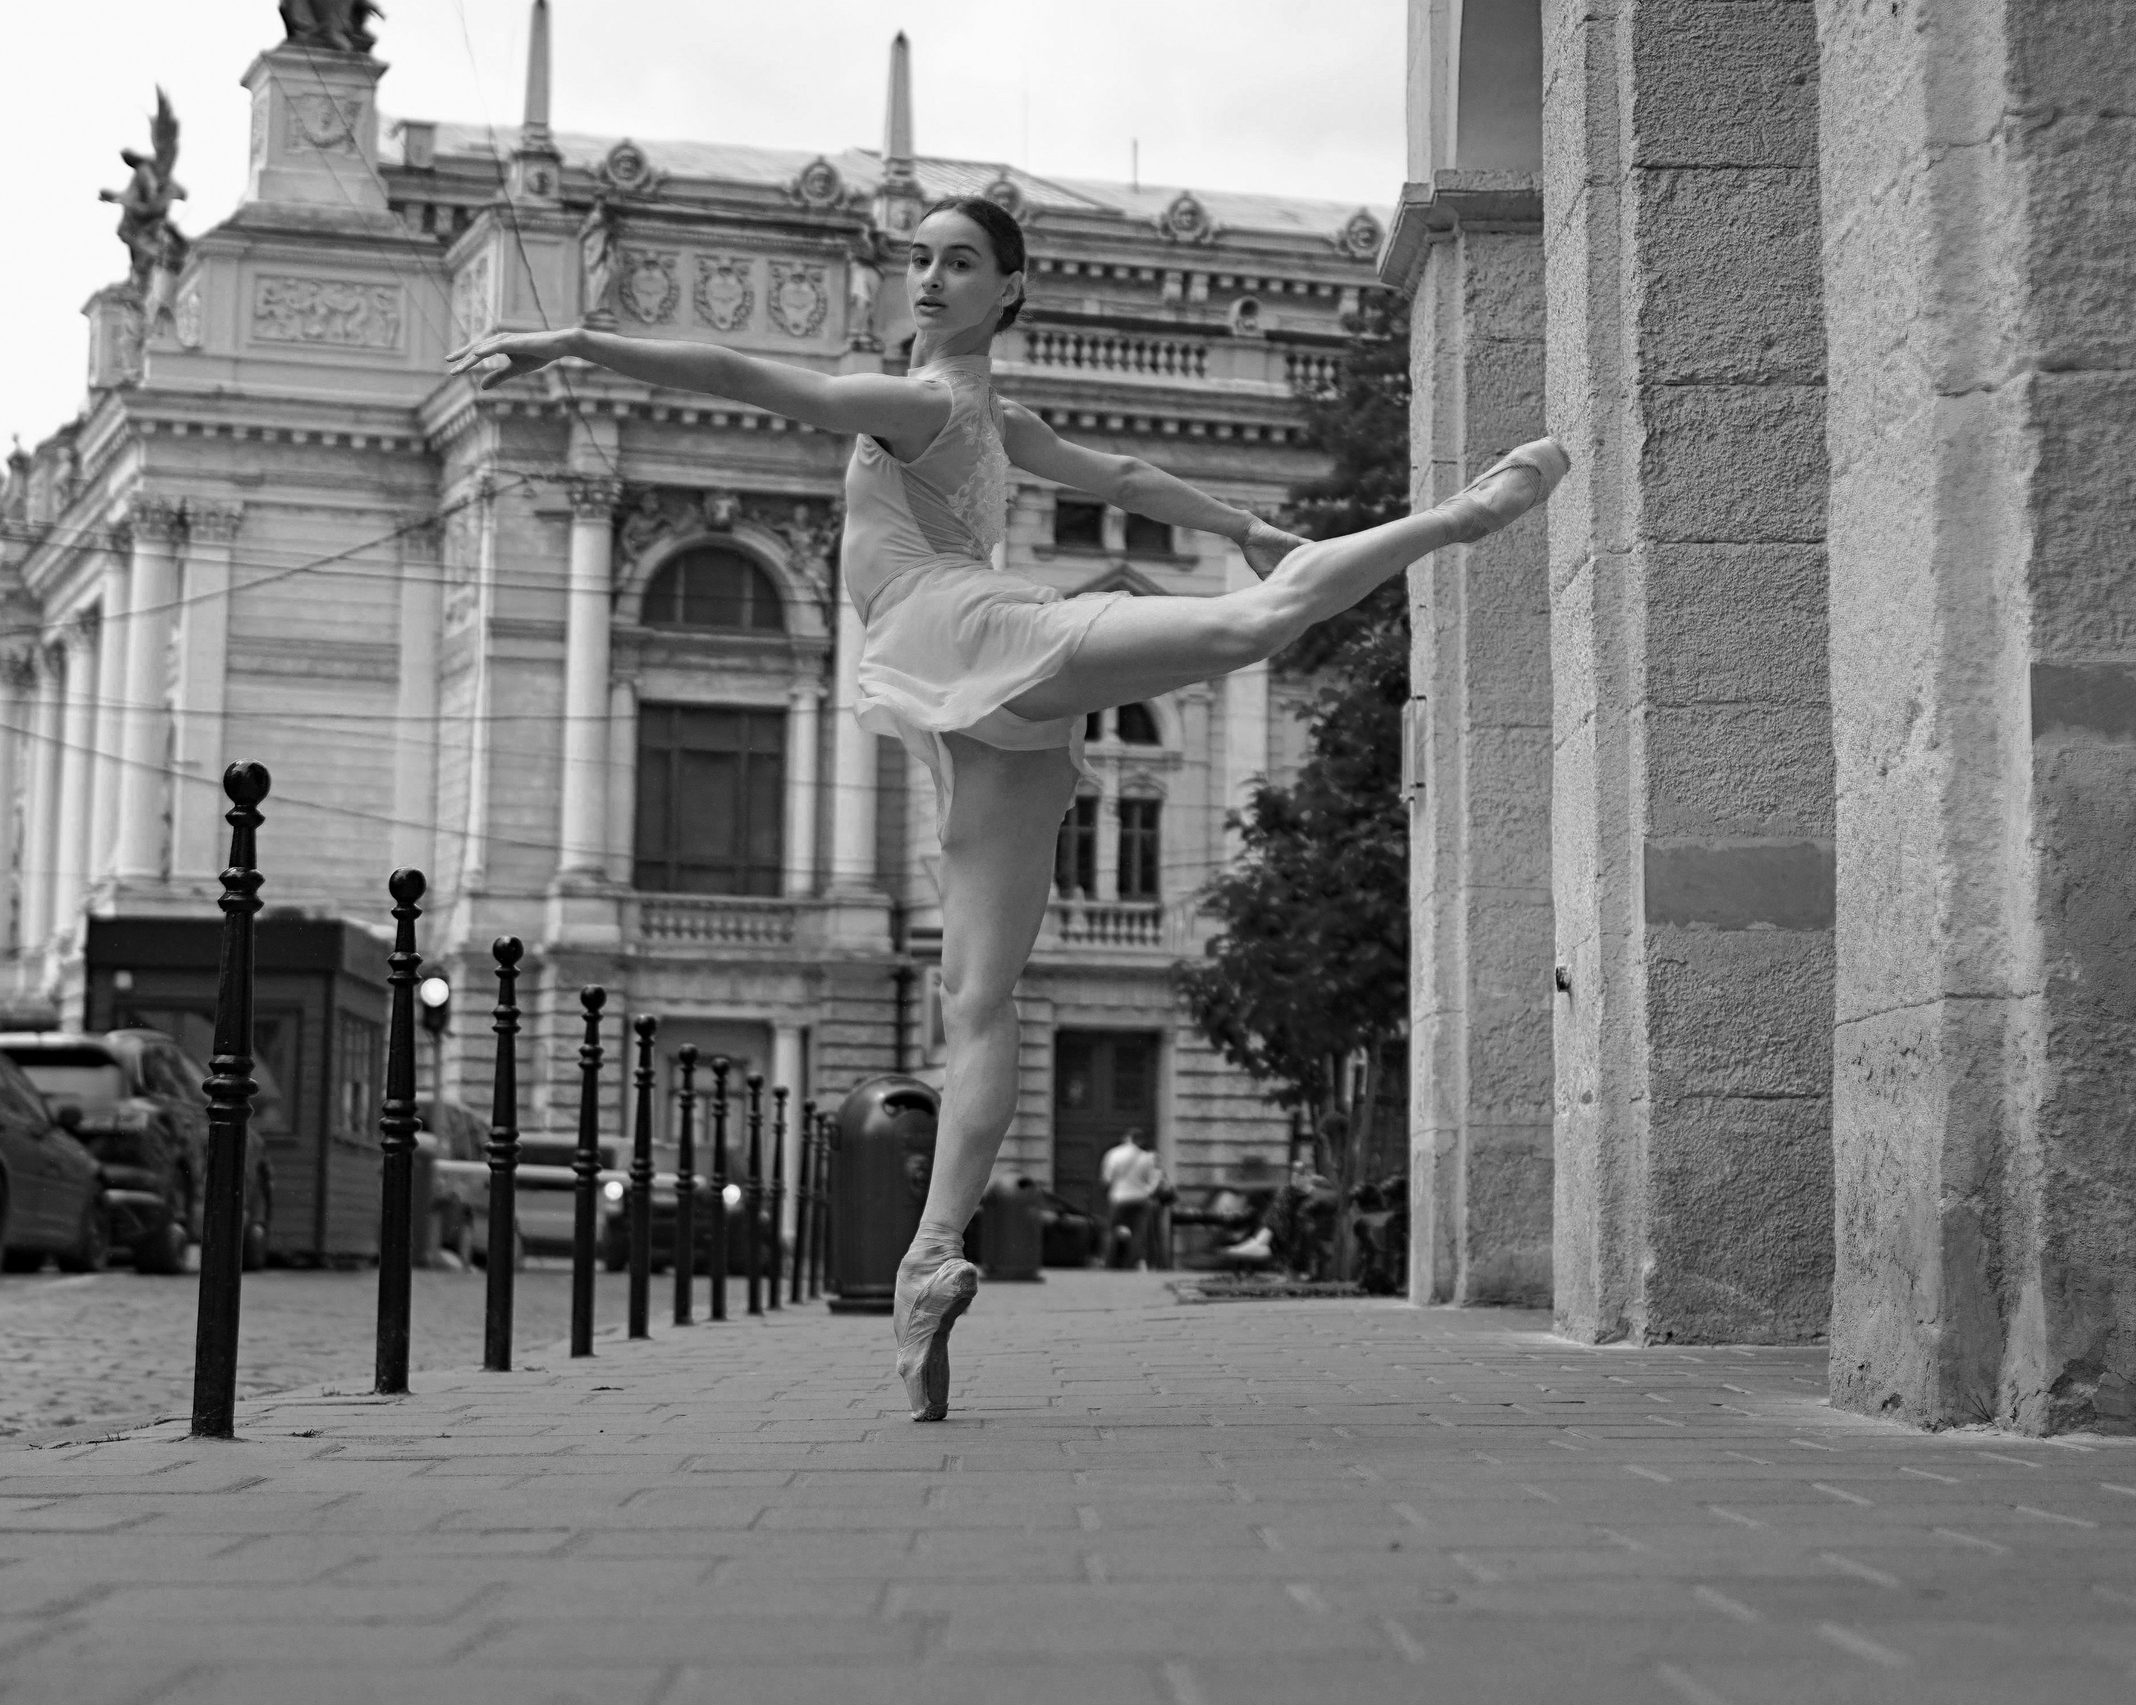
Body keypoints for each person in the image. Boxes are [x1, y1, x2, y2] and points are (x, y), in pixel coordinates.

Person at [451, 193, 1565, 1421]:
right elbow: (1123, 473)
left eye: (961, 262)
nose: (929, 279)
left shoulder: (924, 403)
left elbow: (743, 374)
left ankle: (1461, 515)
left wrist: (574, 342)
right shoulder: (993, 417)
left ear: (1009, 288)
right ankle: (928, 1261)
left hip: (970, 636)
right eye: (919, 259)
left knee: (1249, 624)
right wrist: (1242, 520)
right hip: (981, 705)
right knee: (978, 999)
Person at [1100, 1128, 1164, 1270]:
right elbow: (1153, 1180)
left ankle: (1108, 1262)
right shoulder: (1146, 1157)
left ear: (1126, 1138)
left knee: (1111, 1230)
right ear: (1139, 1140)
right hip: (1139, 1199)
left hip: (1119, 1198)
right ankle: (1133, 1263)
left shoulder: (1113, 1154)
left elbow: (1107, 1178)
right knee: (1138, 1233)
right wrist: (1147, 1192)